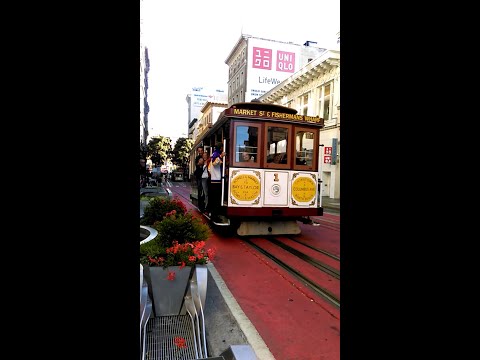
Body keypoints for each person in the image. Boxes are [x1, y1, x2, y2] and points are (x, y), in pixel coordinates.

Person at [208, 142, 225, 222]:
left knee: (215, 199)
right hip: (216, 181)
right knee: (216, 200)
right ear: (221, 148)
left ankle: (213, 215)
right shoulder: (216, 155)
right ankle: (215, 216)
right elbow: (215, 164)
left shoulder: (213, 154)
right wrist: (221, 156)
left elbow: (209, 168)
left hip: (214, 180)